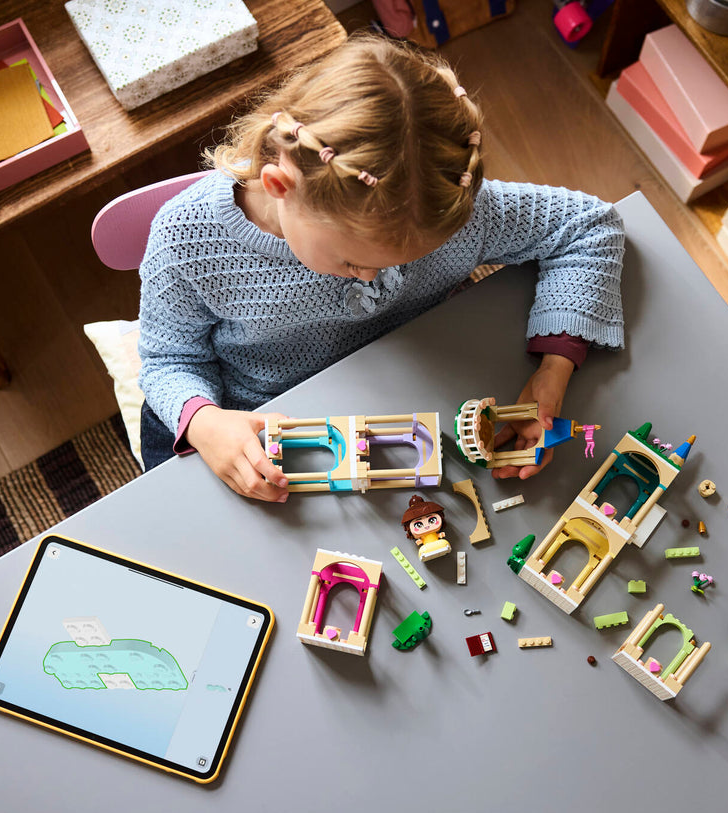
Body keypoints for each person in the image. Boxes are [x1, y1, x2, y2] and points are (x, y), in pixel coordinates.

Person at [137, 32, 625, 502]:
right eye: (352, 261)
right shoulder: (188, 239)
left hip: (407, 391)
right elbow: (168, 361)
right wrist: (203, 422)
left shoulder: (455, 211)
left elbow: (590, 226)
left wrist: (554, 369)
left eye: (403, 261)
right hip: (259, 419)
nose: (372, 279)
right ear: (280, 185)